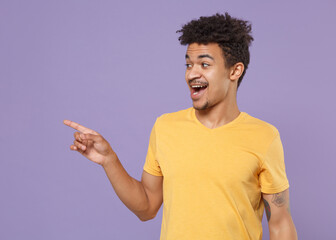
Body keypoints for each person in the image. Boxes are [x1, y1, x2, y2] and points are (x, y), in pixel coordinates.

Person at [63, 12, 297, 240]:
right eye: (188, 64)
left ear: (234, 70)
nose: (191, 74)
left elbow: (279, 223)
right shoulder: (166, 127)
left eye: (204, 64)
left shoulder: (264, 136)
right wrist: (109, 160)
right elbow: (147, 208)